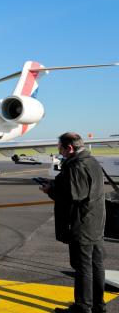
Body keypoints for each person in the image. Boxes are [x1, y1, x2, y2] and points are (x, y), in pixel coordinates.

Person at [40, 133, 107, 313]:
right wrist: (57, 184)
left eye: (60, 148)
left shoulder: (76, 166)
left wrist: (50, 191)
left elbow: (72, 197)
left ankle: (83, 306)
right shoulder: (91, 161)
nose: (58, 151)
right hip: (96, 221)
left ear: (69, 148)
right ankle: (98, 305)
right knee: (96, 263)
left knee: (83, 265)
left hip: (82, 223)